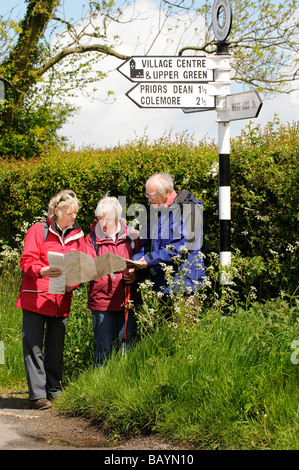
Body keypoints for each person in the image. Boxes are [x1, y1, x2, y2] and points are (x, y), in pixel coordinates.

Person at [16, 190, 86, 410]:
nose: (73, 216)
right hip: (36, 298)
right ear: (57, 212)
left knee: (55, 347)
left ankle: (54, 389)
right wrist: (42, 270)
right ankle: (37, 395)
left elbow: (80, 268)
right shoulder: (39, 230)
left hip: (60, 299)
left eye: (75, 213)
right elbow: (26, 261)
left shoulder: (78, 235)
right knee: (34, 347)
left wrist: (72, 284)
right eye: (69, 212)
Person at [85, 196, 141, 365]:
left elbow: (142, 263)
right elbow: (87, 267)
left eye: (107, 219)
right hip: (102, 300)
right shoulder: (92, 238)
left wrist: (134, 274)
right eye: (100, 219)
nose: (103, 223)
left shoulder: (133, 237)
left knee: (128, 347)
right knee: (104, 348)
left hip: (128, 298)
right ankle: (99, 385)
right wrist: (106, 266)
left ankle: (125, 385)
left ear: (117, 217)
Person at [131, 172, 206, 299]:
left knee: (183, 320)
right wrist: (134, 262)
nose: (149, 199)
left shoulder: (188, 209)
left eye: (152, 195)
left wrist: (149, 259)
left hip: (184, 285)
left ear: (167, 191)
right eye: (147, 195)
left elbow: (182, 246)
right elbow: (148, 245)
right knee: (163, 319)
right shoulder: (158, 212)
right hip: (162, 285)